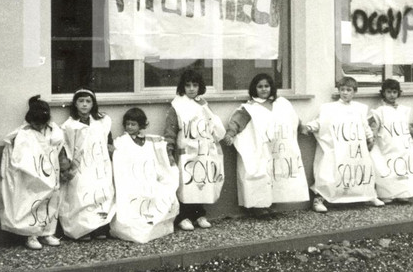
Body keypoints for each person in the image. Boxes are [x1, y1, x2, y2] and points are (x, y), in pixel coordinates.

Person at [223, 73, 309, 217]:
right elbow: (237, 121)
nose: (263, 89)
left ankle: (271, 204)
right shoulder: (250, 107)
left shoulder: (281, 103)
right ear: (254, 89)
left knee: (276, 176)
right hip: (261, 149)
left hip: (278, 149)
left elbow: (292, 118)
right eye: (260, 86)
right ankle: (258, 207)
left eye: (266, 86)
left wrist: (301, 127)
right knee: (260, 176)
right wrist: (230, 134)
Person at [0, 95, 65, 250]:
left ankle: (47, 232)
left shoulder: (53, 132)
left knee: (50, 201)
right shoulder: (23, 134)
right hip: (31, 176)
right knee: (31, 201)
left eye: (41, 124)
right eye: (35, 124)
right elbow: (18, 157)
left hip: (49, 172)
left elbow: (58, 147)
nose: (38, 127)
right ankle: (31, 234)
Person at [303, 76, 385, 211]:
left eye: (349, 90)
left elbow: (364, 125)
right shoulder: (330, 108)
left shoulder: (359, 108)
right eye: (342, 89)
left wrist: (370, 138)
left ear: (354, 92)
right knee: (329, 172)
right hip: (337, 148)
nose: (345, 92)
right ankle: (319, 199)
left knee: (360, 172)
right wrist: (309, 127)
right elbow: (321, 121)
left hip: (354, 149)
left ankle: (369, 195)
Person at [163, 68, 226, 231]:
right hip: (187, 152)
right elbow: (171, 129)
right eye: (188, 85)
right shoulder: (176, 106)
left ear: (200, 87)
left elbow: (213, 126)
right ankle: (184, 216)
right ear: (182, 87)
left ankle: (199, 214)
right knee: (186, 183)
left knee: (202, 181)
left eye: (195, 85)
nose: (191, 88)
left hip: (204, 152)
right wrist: (169, 149)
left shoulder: (203, 104)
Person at [110, 108, 180, 243]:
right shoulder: (121, 141)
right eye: (128, 124)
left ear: (141, 125)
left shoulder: (149, 141)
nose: (130, 127)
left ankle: (156, 226)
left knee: (162, 193)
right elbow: (120, 159)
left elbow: (157, 157)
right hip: (132, 179)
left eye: (133, 124)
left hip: (148, 177)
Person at [58, 88, 116, 240]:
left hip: (99, 164)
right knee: (82, 194)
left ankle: (100, 227)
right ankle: (83, 229)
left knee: (101, 193)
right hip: (80, 166)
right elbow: (64, 147)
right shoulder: (69, 125)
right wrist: (65, 167)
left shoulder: (102, 121)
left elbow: (108, 140)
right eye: (81, 101)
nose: (84, 105)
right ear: (75, 104)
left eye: (88, 101)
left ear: (93, 104)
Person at [368, 79, 413, 203]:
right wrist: (371, 138)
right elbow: (373, 126)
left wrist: (412, 130)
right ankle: (387, 193)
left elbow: (404, 124)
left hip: (403, 144)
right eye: (389, 92)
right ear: (383, 93)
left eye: (395, 92)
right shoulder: (379, 111)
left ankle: (403, 193)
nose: (392, 95)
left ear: (398, 93)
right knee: (387, 167)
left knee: (402, 166)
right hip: (387, 144)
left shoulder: (403, 110)